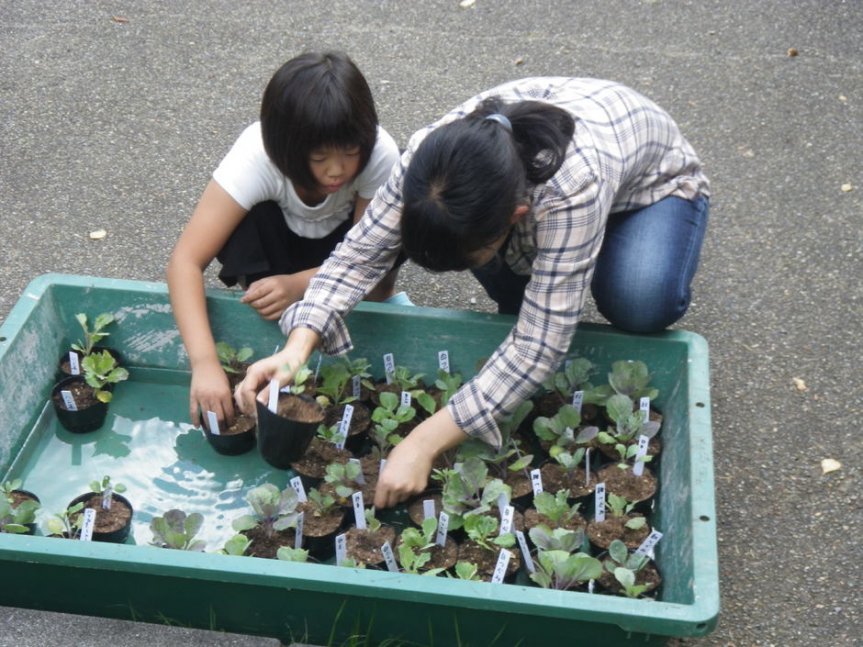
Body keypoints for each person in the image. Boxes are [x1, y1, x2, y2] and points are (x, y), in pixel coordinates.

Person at [235, 77, 710, 508]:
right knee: (512, 280)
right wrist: (296, 349)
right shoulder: (430, 161)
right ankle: (549, 260)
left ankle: (604, 251)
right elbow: (359, 254)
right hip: (538, 187)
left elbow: (539, 342)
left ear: (515, 217)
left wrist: (421, 442)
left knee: (636, 298)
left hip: (653, 187)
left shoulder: (573, 186)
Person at [167, 51, 405, 429]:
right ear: (286, 149)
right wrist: (205, 364)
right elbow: (185, 262)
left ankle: (382, 306)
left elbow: (368, 259)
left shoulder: (380, 155)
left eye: (349, 151)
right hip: (281, 249)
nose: (336, 169)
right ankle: (270, 311)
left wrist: (297, 285)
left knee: (397, 222)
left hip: (346, 258)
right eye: (319, 156)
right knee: (240, 220)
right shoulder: (255, 157)